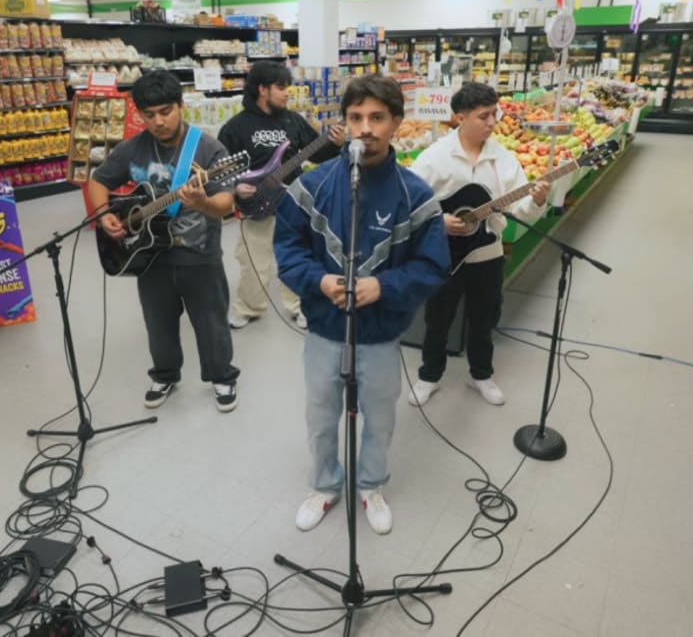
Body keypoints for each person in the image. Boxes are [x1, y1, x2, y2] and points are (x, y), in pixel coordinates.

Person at [274, 75, 449, 535]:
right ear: (344, 123)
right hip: (323, 329)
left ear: (396, 123)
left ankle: (370, 483)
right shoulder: (311, 186)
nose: (365, 128)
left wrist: (384, 287)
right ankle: (326, 485)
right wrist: (320, 279)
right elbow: (288, 250)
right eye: (355, 118)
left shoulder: (417, 195)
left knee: (381, 413)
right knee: (320, 412)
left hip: (380, 334)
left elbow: (433, 265)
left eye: (376, 118)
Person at [86, 70, 241, 413]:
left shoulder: (209, 149)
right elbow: (98, 181)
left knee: (210, 322)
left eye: (166, 111)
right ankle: (166, 374)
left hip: (199, 253)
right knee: (157, 322)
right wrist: (103, 214)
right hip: (148, 256)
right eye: (149, 115)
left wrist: (201, 202)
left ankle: (222, 376)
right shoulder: (133, 148)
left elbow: (225, 204)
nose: (158, 121)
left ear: (181, 106)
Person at [407, 82, 549, 407]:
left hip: (488, 255)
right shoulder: (434, 157)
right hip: (443, 257)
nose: (492, 122)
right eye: (483, 116)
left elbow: (520, 210)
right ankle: (429, 376)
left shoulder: (504, 159)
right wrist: (437, 221)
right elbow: (408, 204)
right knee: (437, 321)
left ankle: (481, 375)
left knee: (484, 320)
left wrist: (538, 200)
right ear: (460, 118)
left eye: (494, 114)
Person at [219, 61, 345, 330]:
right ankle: (248, 307)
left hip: (294, 201)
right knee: (254, 261)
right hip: (255, 204)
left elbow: (316, 153)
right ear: (262, 89)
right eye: (281, 87)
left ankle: (300, 305)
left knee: (298, 256)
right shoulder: (235, 127)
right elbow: (220, 171)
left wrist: (334, 144)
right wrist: (236, 188)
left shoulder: (293, 120)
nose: (288, 92)